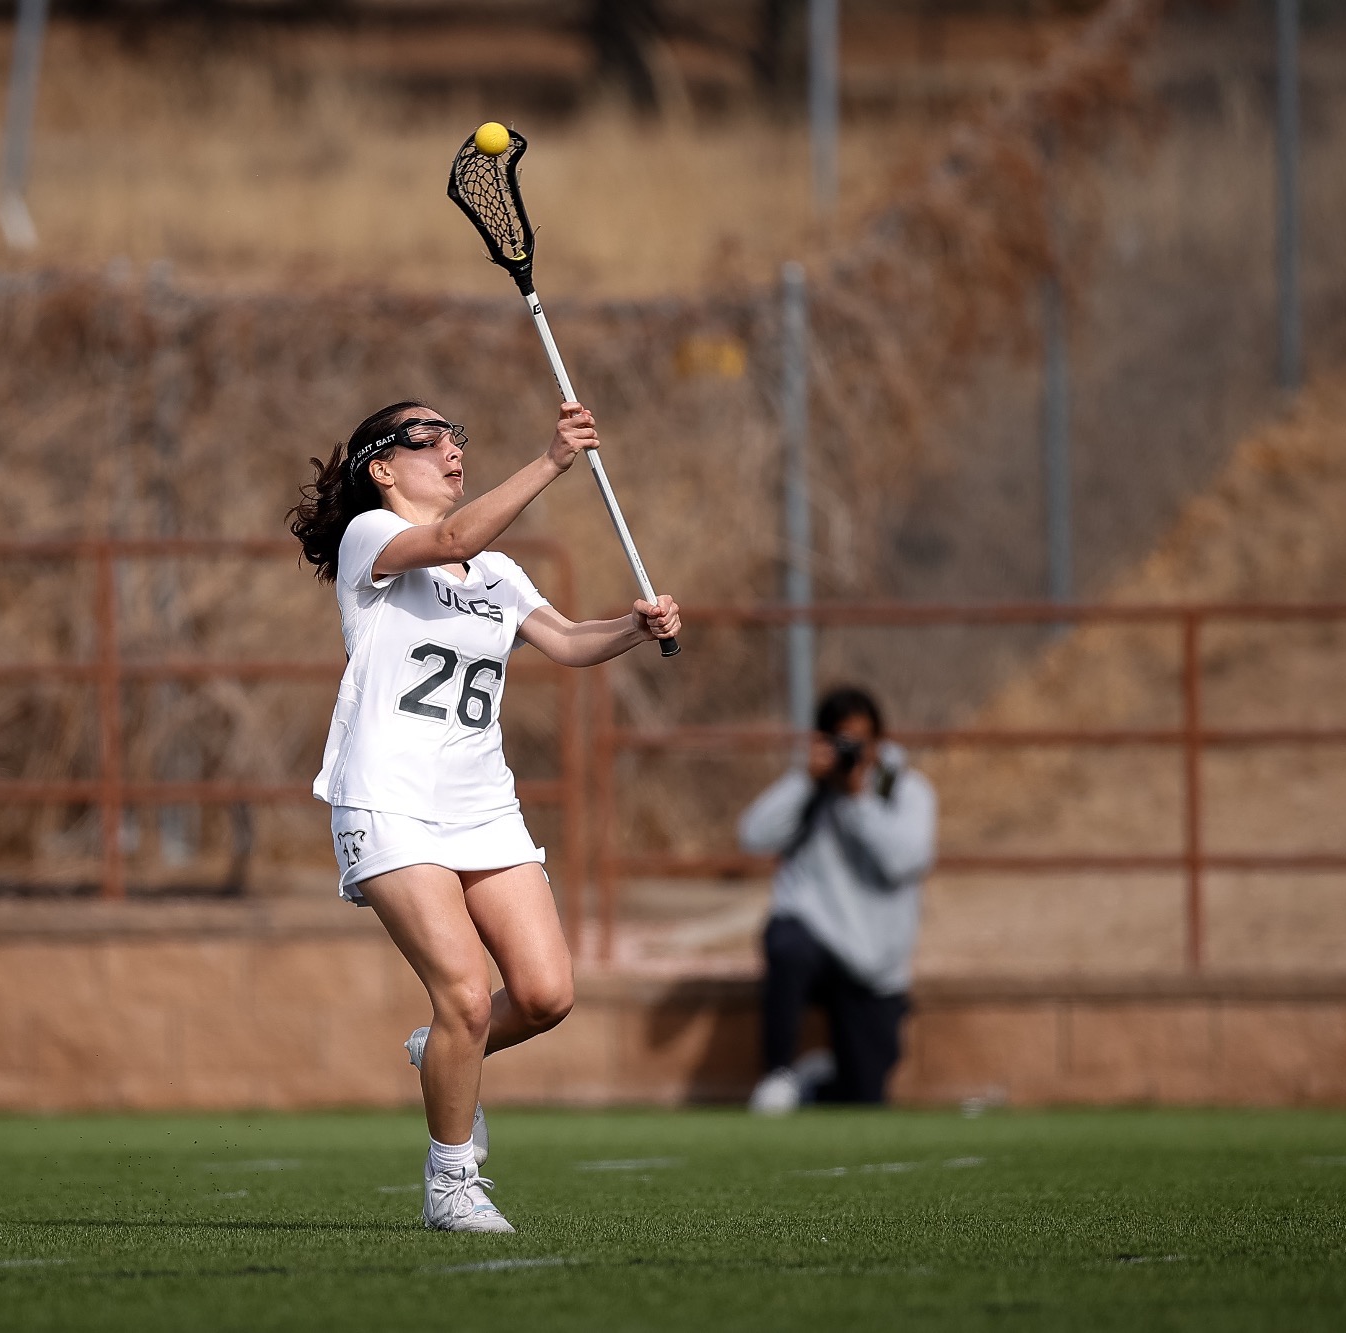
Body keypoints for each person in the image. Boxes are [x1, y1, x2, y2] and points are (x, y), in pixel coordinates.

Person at [291, 399, 680, 1233]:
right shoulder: (371, 538)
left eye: (456, 435)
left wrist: (634, 627)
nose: (450, 447)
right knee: (466, 993)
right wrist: (551, 461)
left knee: (544, 994)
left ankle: (442, 1050)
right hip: (388, 797)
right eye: (427, 437)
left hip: (481, 804)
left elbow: (567, 641)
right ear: (381, 468)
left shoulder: (498, 573)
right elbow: (450, 538)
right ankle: (452, 1182)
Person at [739, 686, 936, 1112]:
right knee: (786, 943)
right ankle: (777, 1075)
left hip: (875, 963)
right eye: (843, 743)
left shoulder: (904, 790)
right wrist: (805, 781)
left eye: (861, 743)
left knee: (864, 1098)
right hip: (817, 939)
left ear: (880, 742)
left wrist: (858, 801)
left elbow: (905, 861)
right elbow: (753, 836)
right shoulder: (811, 790)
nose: (853, 754)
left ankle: (814, 1083)